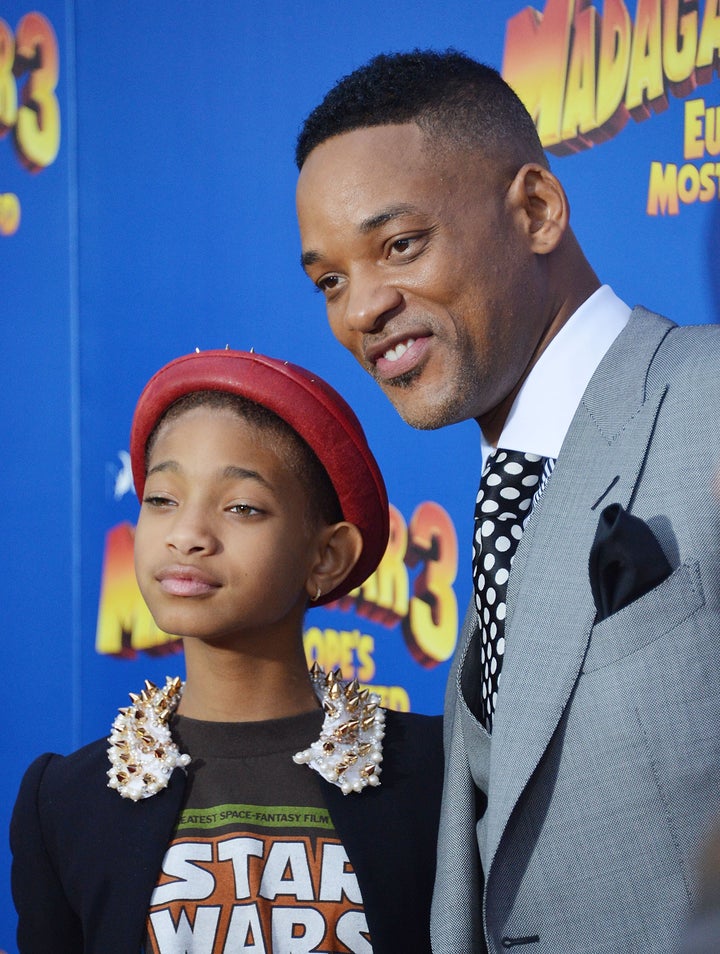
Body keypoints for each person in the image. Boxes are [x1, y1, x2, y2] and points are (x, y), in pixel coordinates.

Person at [294, 49, 720, 954]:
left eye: (400, 244)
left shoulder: (709, 399)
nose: (361, 308)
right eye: (329, 280)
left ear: (534, 210)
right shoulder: (506, 499)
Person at [10, 348, 443, 953]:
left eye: (241, 507)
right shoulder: (66, 801)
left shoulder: (439, 777)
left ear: (327, 556)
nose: (187, 535)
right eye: (162, 499)